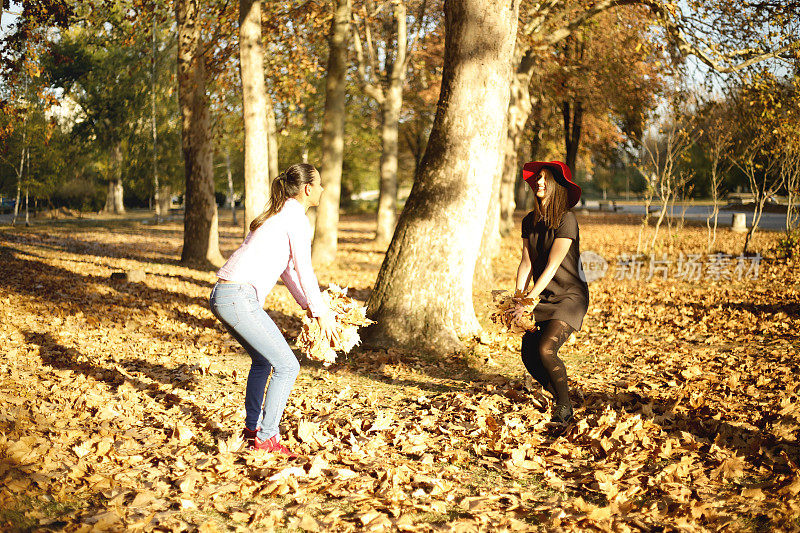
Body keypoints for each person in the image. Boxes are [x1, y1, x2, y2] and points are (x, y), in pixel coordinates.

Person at [209, 163, 338, 456]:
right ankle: (267, 439)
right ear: (307, 189)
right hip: (237, 296)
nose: (322, 189)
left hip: (225, 294)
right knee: (288, 366)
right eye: (318, 184)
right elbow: (304, 269)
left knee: (263, 362)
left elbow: (289, 270)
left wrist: (308, 305)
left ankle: (253, 429)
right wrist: (321, 312)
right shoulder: (295, 218)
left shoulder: (281, 215)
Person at [513, 161, 589, 424]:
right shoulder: (528, 221)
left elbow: (552, 265)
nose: (539, 182)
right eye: (537, 178)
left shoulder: (567, 220)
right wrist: (517, 299)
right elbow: (527, 263)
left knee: (546, 349)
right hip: (541, 295)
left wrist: (530, 299)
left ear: (557, 185)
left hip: (569, 296)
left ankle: (565, 408)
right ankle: (561, 395)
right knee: (529, 355)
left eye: (545, 178)